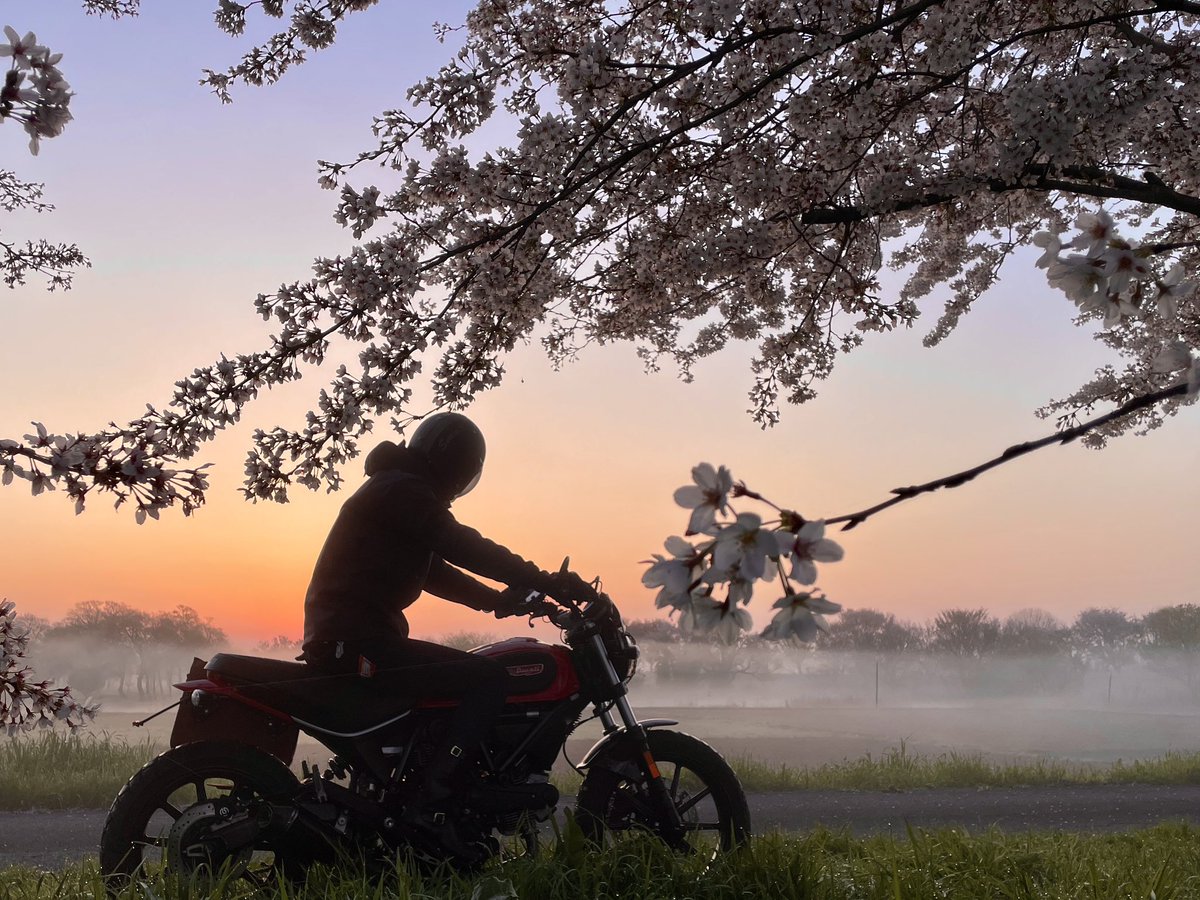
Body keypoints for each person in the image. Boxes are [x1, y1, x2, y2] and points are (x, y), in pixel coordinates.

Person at [299, 412, 594, 861]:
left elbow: (435, 569)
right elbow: (461, 544)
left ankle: (432, 790)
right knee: (488, 678)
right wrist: (548, 580)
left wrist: (497, 601)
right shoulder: (402, 490)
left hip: (353, 637)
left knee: (464, 680)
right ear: (454, 461)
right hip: (358, 642)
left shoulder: (395, 490)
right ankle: (432, 802)